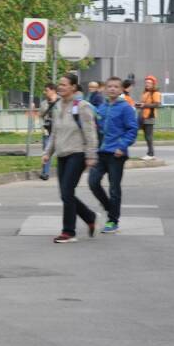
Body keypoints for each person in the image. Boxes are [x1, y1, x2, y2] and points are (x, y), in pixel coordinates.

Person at [42, 73, 98, 243]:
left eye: (64, 84)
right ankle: (89, 216)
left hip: (77, 153)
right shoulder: (58, 105)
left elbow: (90, 133)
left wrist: (90, 155)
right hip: (62, 154)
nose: (60, 87)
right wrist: (47, 152)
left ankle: (68, 231)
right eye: (59, 84)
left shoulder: (82, 106)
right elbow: (55, 132)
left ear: (73, 87)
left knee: (67, 192)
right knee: (65, 194)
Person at [88, 76, 137, 234]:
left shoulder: (126, 108)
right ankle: (110, 208)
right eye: (109, 86)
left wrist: (122, 146)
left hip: (117, 154)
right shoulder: (102, 107)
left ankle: (113, 220)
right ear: (105, 88)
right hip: (101, 152)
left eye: (116, 86)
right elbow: (96, 128)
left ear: (121, 89)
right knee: (93, 181)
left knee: (114, 188)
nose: (112, 89)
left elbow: (132, 130)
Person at [38, 83, 58, 180]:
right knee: (46, 151)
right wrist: (42, 128)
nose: (45, 92)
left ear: (53, 90)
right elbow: (40, 117)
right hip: (47, 130)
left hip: (59, 131)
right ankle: (45, 172)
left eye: (47, 90)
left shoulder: (60, 102)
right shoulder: (43, 104)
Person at [138, 75, 161, 160]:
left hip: (150, 117)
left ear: (153, 84)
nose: (147, 84)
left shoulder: (156, 93)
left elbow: (157, 104)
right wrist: (140, 105)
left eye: (149, 83)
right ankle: (149, 153)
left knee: (148, 136)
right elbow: (144, 103)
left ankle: (151, 154)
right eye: (146, 82)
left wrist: (145, 105)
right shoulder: (145, 92)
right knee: (146, 136)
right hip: (143, 116)